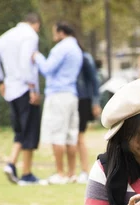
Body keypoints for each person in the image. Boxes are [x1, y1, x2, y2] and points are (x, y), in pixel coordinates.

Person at [0, 12, 45, 185]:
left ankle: (11, 163)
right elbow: (27, 62)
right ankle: (26, 173)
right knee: (30, 130)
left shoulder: (6, 36)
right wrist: (33, 87)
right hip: (25, 88)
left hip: (11, 90)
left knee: (20, 130)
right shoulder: (30, 35)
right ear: (36, 24)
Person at [34, 22, 83, 184]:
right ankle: (71, 173)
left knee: (58, 134)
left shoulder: (61, 48)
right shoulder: (76, 49)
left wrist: (37, 57)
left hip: (58, 94)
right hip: (71, 94)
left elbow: (47, 68)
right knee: (71, 135)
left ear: (61, 32)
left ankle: (60, 174)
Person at [76, 51, 102, 184]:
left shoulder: (85, 57)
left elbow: (94, 79)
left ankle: (85, 170)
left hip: (83, 100)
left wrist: (95, 102)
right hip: (74, 98)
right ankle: (77, 171)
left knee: (79, 136)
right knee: (74, 138)